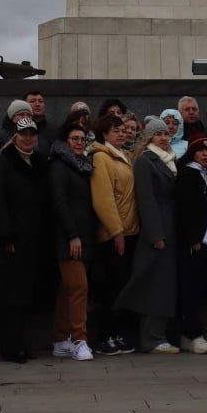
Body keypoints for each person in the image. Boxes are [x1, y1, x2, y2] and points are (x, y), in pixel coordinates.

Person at [0, 116, 49, 362]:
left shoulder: (39, 163)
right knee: (10, 297)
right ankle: (10, 346)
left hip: (34, 240)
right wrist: (6, 235)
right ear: (15, 137)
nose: (28, 139)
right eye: (23, 135)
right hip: (12, 241)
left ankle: (23, 343)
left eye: (32, 135)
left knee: (26, 296)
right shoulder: (2, 163)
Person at [116, 117, 180, 354]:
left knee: (164, 285)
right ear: (149, 138)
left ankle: (160, 334)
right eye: (158, 134)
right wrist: (155, 235)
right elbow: (146, 200)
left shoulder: (169, 160)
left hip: (171, 228)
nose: (163, 138)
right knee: (155, 286)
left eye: (165, 134)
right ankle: (152, 338)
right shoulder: (145, 161)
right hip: (158, 230)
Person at [88, 113, 139, 355]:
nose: (121, 133)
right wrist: (116, 231)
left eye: (122, 130)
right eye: (115, 130)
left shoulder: (124, 155)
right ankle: (104, 337)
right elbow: (103, 198)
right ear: (104, 134)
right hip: (113, 235)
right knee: (112, 287)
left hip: (130, 231)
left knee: (121, 286)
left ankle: (115, 333)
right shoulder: (101, 157)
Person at [49, 121, 96, 361]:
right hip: (68, 238)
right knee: (79, 287)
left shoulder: (82, 166)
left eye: (82, 139)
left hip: (84, 236)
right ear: (65, 142)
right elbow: (60, 202)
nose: (79, 143)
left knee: (67, 288)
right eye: (74, 139)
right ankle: (79, 340)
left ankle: (60, 339)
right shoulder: (59, 166)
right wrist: (72, 235)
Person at [176, 136, 207, 353]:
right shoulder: (188, 174)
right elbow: (185, 210)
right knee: (191, 289)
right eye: (201, 151)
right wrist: (193, 239)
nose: (205, 154)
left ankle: (188, 334)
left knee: (200, 289)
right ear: (192, 154)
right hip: (197, 241)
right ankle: (194, 334)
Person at [26, 91, 54, 155]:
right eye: (32, 101)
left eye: (40, 101)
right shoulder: (17, 129)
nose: (37, 104)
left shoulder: (55, 130)